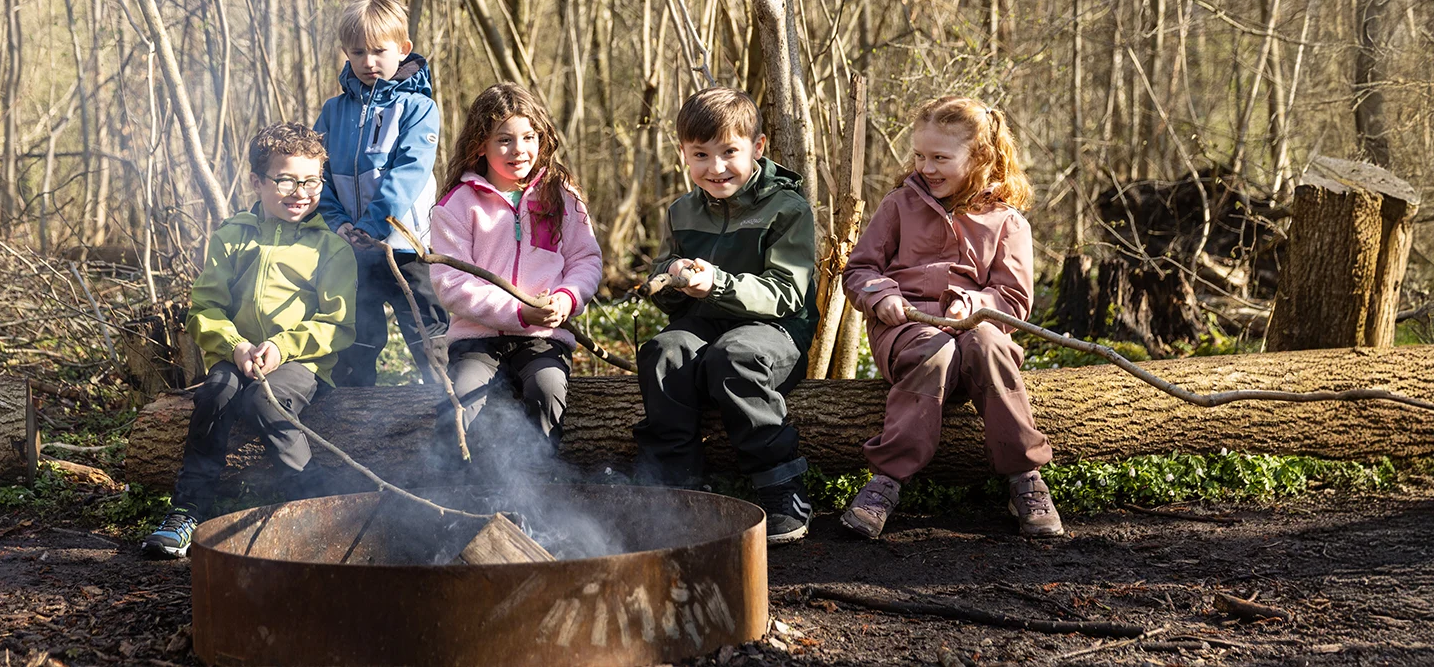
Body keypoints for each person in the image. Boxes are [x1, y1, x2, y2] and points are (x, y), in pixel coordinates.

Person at [838, 96, 1061, 538]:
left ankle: (1025, 477)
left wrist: (973, 305)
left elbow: (1013, 297)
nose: (927, 167)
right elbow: (860, 269)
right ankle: (887, 481)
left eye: (940, 157)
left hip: (977, 332)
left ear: (979, 157)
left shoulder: (1007, 222)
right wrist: (880, 296)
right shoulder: (899, 205)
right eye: (920, 156)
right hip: (907, 330)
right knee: (933, 350)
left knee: (991, 346)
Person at [141, 123, 357, 558]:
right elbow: (204, 309)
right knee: (216, 393)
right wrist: (235, 345)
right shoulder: (233, 236)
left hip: (302, 361)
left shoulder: (330, 248)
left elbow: (337, 325)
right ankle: (187, 511)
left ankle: (309, 503)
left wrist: (281, 348)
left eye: (312, 181)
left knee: (264, 399)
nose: (301, 192)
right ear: (258, 182)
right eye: (286, 180)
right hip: (236, 354)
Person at [632, 88, 817, 544]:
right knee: (663, 351)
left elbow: (786, 293)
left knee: (735, 356)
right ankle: (675, 485)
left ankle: (780, 484)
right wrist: (673, 275)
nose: (715, 168)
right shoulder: (683, 210)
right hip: (703, 325)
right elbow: (664, 279)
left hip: (775, 331)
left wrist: (719, 285)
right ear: (683, 154)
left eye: (729, 152)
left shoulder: (787, 209)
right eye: (700, 155)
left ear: (758, 147)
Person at [429, 83, 603, 456]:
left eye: (528, 136)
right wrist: (517, 311)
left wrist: (566, 298)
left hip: (544, 336)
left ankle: (538, 487)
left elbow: (585, 260)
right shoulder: (457, 205)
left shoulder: (563, 195)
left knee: (547, 387)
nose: (519, 149)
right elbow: (452, 284)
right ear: (480, 144)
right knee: (462, 396)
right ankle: (453, 490)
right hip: (477, 338)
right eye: (504, 140)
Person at [315, 0, 448, 387]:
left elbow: (408, 172)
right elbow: (317, 174)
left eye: (378, 51)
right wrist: (338, 223)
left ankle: (452, 414)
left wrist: (373, 226)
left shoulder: (418, 107)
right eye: (357, 53)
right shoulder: (333, 112)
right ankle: (354, 423)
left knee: (428, 335)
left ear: (403, 49)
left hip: (405, 247)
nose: (368, 62)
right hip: (351, 248)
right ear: (346, 53)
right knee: (357, 339)